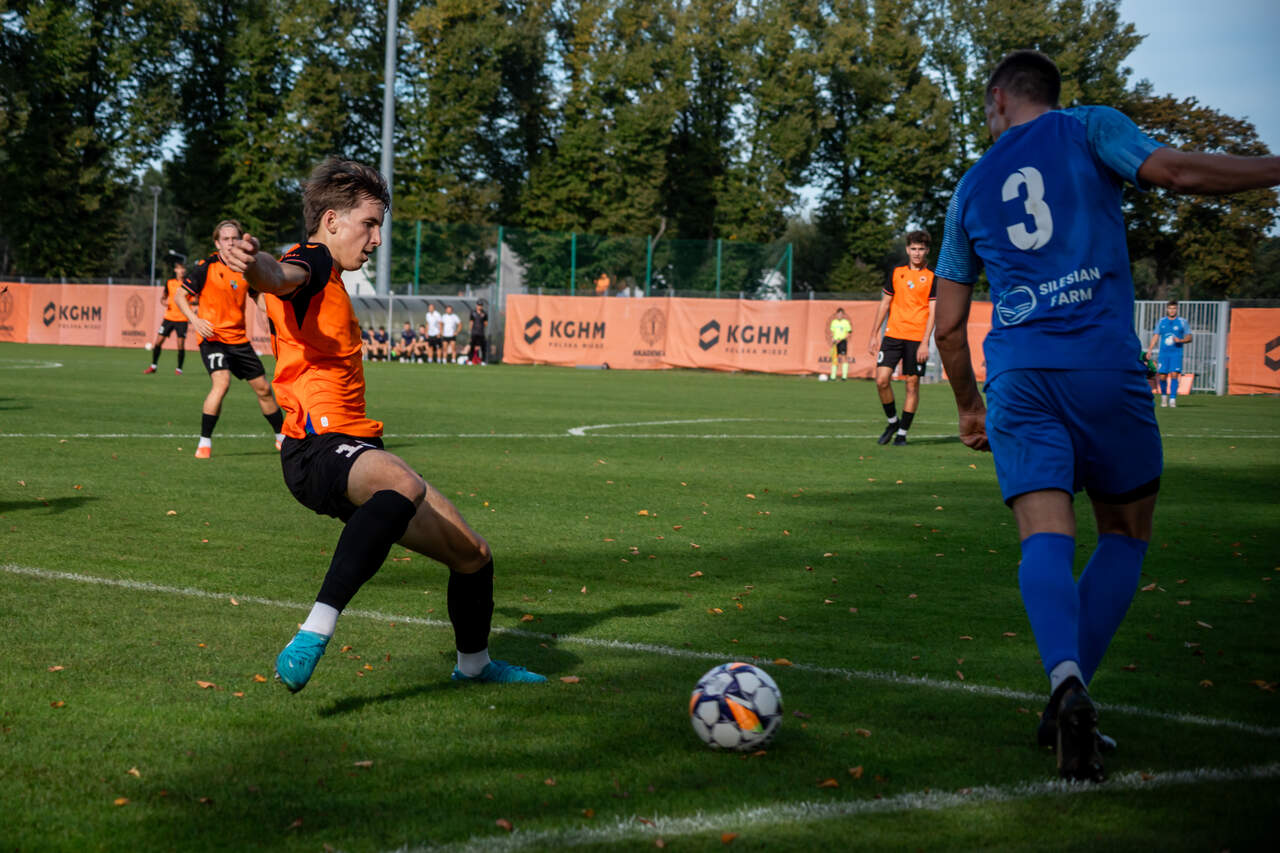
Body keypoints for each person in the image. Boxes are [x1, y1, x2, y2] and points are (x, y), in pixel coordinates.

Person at [932, 49, 1280, 783]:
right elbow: (1177, 173)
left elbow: (948, 326)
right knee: (1124, 532)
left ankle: (1064, 684)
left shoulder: (969, 186)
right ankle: (1069, 695)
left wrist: (968, 406)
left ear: (999, 99)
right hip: (1103, 365)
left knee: (1044, 536)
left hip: (1020, 376)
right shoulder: (1091, 127)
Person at [220, 156, 545, 692]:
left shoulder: (331, 278)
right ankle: (314, 631)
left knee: (473, 556)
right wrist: (254, 266)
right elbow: (279, 276)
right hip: (317, 447)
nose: (375, 239)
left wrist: (258, 270)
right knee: (402, 483)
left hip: (353, 446)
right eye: (369, 224)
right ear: (331, 221)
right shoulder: (312, 259)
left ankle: (474, 666)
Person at [175, 220, 285, 459]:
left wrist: (277, 312)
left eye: (234, 238)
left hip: (238, 340)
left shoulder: (247, 269)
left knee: (264, 388)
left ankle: (281, 438)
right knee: (222, 383)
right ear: (217, 243)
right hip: (212, 338)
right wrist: (195, 320)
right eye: (225, 239)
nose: (230, 243)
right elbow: (180, 295)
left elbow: (259, 297)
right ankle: (204, 443)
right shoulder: (206, 267)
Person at [867, 231, 936, 445]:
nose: (917, 253)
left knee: (912, 385)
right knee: (881, 380)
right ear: (907, 249)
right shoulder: (897, 273)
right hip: (892, 335)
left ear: (927, 251)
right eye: (913, 248)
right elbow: (885, 304)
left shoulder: (933, 277)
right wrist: (874, 333)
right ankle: (892, 422)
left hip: (916, 338)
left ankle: (902, 434)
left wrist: (925, 342)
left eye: (921, 249)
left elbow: (933, 312)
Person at [143, 261, 189, 375]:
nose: (182, 271)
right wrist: (164, 302)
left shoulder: (188, 283)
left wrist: (189, 303)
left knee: (180, 345)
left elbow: (196, 299)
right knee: (158, 342)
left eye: (183, 269)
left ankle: (179, 369)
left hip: (182, 319)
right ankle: (153, 366)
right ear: (175, 270)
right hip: (169, 318)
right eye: (179, 268)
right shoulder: (169, 282)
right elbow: (163, 297)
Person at [1147, 300, 1192, 407]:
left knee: (1174, 374)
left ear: (1177, 309)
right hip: (1163, 354)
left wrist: (1180, 340)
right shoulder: (1161, 321)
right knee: (1162, 376)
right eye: (1170, 308)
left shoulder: (1182, 322)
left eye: (1174, 308)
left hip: (1176, 353)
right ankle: (1164, 397)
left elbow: (1190, 337)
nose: (1172, 310)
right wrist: (1150, 349)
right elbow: (1156, 336)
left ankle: (1172, 399)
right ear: (1167, 309)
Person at [828, 307, 852, 381]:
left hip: (842, 342)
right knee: (834, 358)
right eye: (838, 314)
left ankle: (844, 377)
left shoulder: (846, 322)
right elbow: (832, 332)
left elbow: (849, 333)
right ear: (836, 314)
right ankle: (833, 377)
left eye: (841, 314)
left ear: (843, 315)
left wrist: (841, 339)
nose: (839, 315)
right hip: (835, 342)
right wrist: (832, 338)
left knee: (844, 358)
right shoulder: (834, 322)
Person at [468, 299, 488, 365]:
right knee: (472, 347)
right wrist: (470, 330)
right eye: (479, 305)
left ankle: (483, 361)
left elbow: (486, 323)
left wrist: (481, 327)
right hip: (474, 333)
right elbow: (471, 322)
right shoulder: (473, 313)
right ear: (476, 305)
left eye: (481, 305)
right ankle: (470, 360)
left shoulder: (484, 313)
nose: (480, 306)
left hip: (481, 333)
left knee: (483, 347)